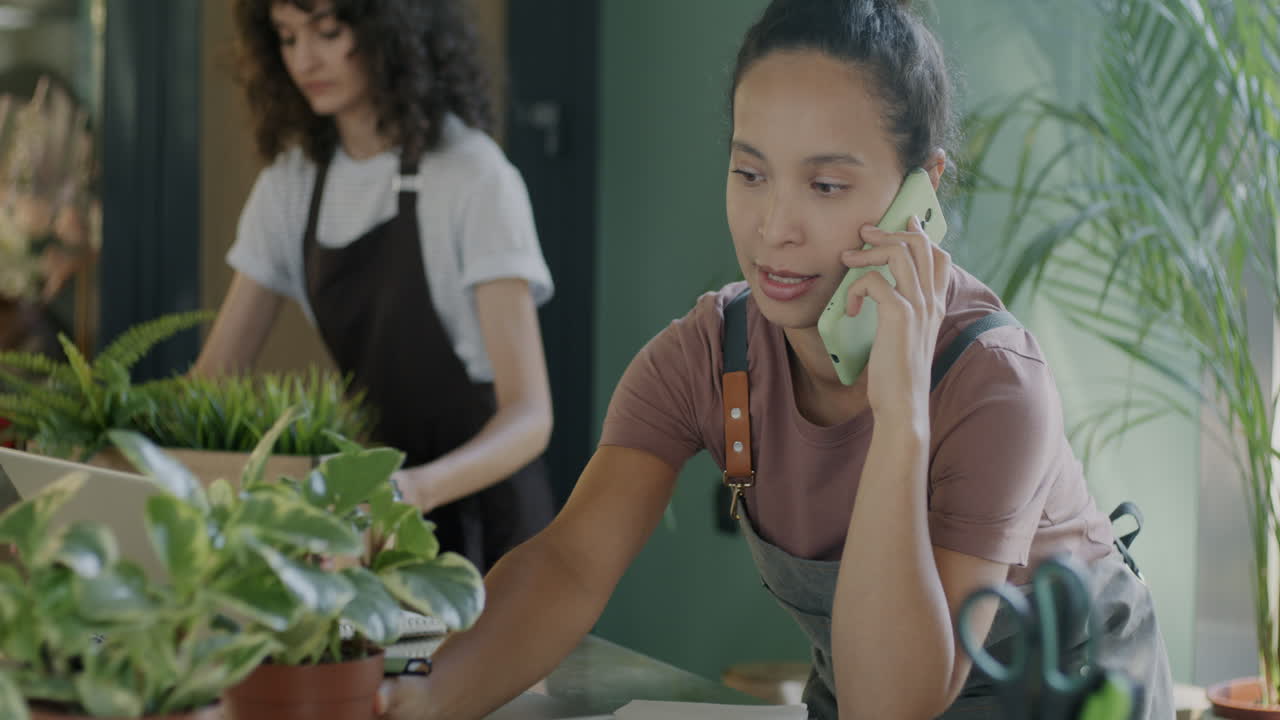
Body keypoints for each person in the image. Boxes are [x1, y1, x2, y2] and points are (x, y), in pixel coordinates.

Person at [376, 0, 1175, 717]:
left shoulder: (995, 381)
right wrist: (425, 697)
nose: (774, 227)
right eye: (750, 173)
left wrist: (901, 418)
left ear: (920, 192)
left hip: (1068, 700)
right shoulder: (707, 355)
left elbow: (893, 707)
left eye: (825, 186)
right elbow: (571, 565)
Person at [193, 0, 556, 573]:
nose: (304, 59)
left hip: (493, 525)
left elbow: (531, 415)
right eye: (286, 38)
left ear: (393, 29)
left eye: (328, 31)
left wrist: (414, 489)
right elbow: (210, 384)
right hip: (377, 517)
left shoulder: (473, 176)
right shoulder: (290, 185)